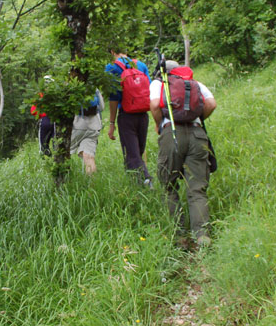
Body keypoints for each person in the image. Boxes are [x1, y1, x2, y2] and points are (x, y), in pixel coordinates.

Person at [149, 60, 217, 248]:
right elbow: (212, 103)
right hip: (197, 134)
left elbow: (155, 105)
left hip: (171, 133)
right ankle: (202, 235)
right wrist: (197, 118)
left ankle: (179, 236)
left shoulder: (158, 83)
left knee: (168, 185)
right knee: (196, 188)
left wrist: (158, 124)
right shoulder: (194, 83)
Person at [105, 47, 153, 186]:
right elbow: (149, 88)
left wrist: (112, 123)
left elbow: (113, 98)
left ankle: (146, 180)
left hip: (126, 116)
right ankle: (135, 183)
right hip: (143, 114)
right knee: (139, 150)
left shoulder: (112, 68)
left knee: (131, 153)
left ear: (112, 52)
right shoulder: (140, 65)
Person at [70, 89, 105, 175]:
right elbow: (102, 107)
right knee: (88, 156)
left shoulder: (71, 87)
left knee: (63, 152)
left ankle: (64, 181)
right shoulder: (94, 88)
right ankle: (92, 186)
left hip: (77, 126)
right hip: (93, 127)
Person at [30, 77, 56, 156]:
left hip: (45, 121)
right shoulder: (57, 94)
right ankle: (57, 162)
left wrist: (42, 115)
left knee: (43, 147)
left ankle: (47, 161)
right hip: (56, 120)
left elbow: (33, 111)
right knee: (57, 146)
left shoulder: (39, 95)